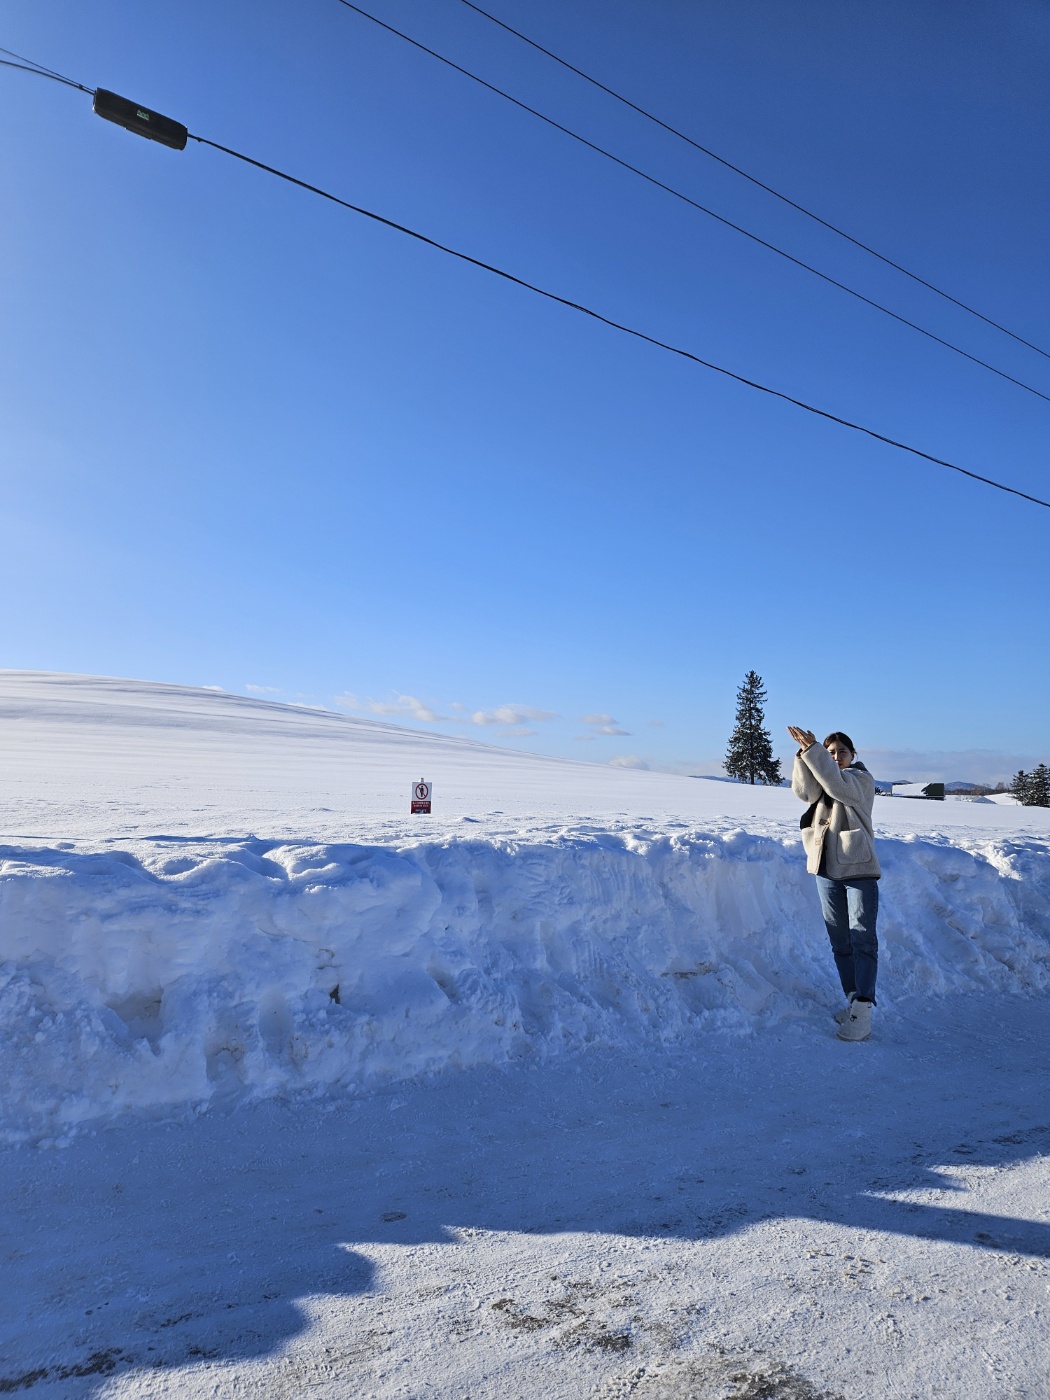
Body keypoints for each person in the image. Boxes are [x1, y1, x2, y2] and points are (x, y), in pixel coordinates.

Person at [787, 726, 881, 1042]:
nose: (836, 757)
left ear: (853, 755)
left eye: (841, 751)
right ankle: (853, 1000)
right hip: (826, 868)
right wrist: (804, 755)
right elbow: (804, 792)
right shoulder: (825, 779)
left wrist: (814, 750)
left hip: (859, 869)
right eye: (830, 753)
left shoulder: (860, 781)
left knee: (862, 939)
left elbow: (837, 787)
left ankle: (864, 1011)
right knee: (840, 942)